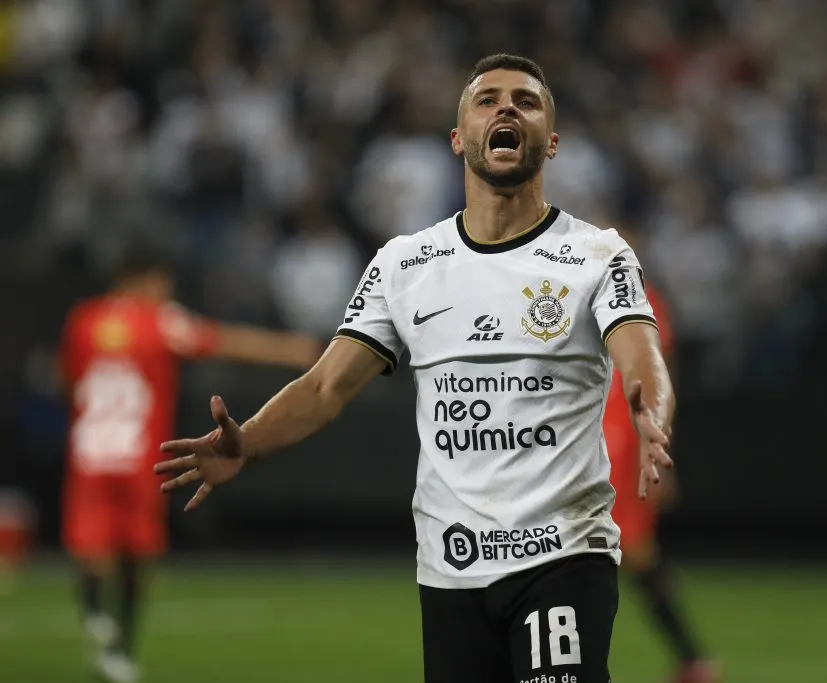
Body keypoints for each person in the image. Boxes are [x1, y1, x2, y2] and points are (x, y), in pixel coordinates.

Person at [157, 54, 675, 683]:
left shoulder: (596, 254)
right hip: (451, 567)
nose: (506, 108)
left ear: (553, 142)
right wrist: (251, 441)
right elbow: (324, 386)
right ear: (458, 139)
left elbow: (640, 350)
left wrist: (651, 411)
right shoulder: (406, 264)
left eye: (526, 101)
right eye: (487, 100)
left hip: (563, 553)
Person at [59, 246, 323, 683]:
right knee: (137, 555)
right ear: (143, 279)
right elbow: (224, 341)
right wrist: (296, 350)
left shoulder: (85, 320)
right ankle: (121, 648)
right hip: (140, 456)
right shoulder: (159, 321)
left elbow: (68, 381)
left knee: (90, 546)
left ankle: (94, 616)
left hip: (91, 454)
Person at [603, 229, 720, 683]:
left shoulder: (644, 301)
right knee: (626, 555)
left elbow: (658, 381)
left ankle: (694, 658)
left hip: (621, 445)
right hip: (587, 440)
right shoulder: (570, 297)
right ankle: (694, 659)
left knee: (632, 553)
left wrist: (659, 449)